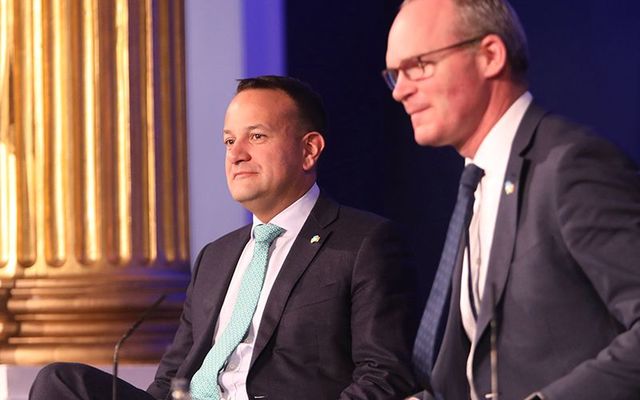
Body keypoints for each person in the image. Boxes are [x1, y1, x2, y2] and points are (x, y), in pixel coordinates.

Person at [29, 76, 419, 399]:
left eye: (258, 136)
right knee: (61, 382)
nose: (236, 154)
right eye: (230, 141)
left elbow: (384, 376)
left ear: (309, 150)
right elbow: (171, 380)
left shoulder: (362, 242)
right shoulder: (216, 256)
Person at [384, 0, 640, 399]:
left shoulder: (569, 165)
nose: (400, 91)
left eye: (418, 65)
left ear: (490, 55)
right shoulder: (478, 180)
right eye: (394, 74)